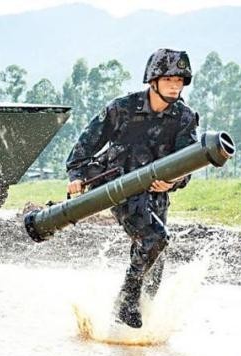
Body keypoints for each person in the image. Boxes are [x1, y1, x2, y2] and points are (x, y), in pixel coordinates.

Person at [65, 48, 199, 329]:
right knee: (155, 238)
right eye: (169, 79)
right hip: (119, 185)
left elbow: (188, 162)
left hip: (157, 192)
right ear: (153, 81)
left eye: (179, 81)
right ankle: (125, 303)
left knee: (154, 262)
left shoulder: (184, 118)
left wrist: (173, 181)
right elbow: (85, 145)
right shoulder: (122, 108)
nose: (175, 86)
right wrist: (76, 176)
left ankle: (129, 335)